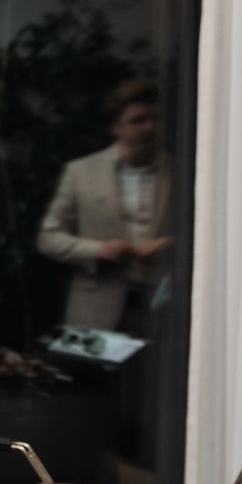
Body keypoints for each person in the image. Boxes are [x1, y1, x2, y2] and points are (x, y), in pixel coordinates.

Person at [37, 79, 172, 332]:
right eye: (138, 120)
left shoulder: (180, 171)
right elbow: (48, 238)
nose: (150, 127)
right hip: (95, 309)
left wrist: (170, 245)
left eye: (155, 119)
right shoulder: (81, 172)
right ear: (115, 127)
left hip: (161, 309)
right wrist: (97, 250)